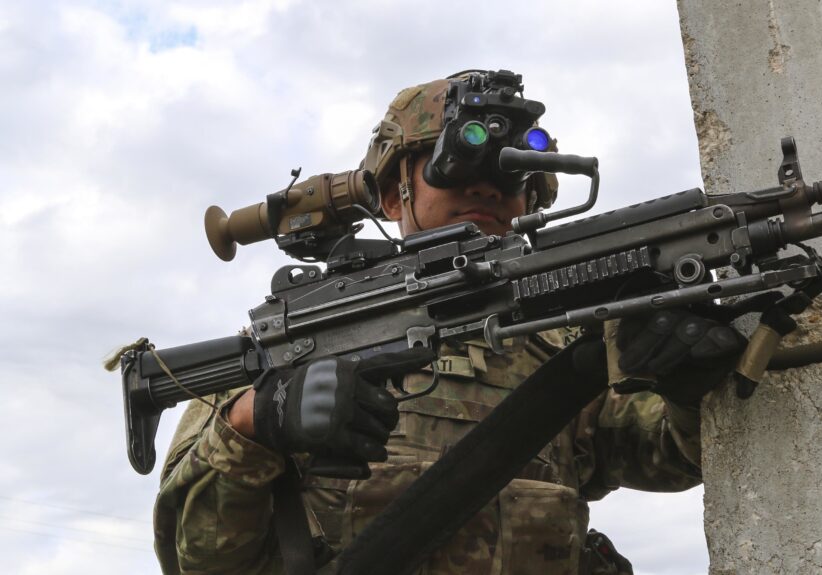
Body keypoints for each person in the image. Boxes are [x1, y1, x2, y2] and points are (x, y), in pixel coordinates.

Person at [153, 70, 746, 575]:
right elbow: (194, 559)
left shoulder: (566, 339)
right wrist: (258, 420)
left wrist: (688, 384)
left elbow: (669, 454)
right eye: (450, 164)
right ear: (393, 196)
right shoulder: (298, 341)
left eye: (512, 172)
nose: (485, 184)